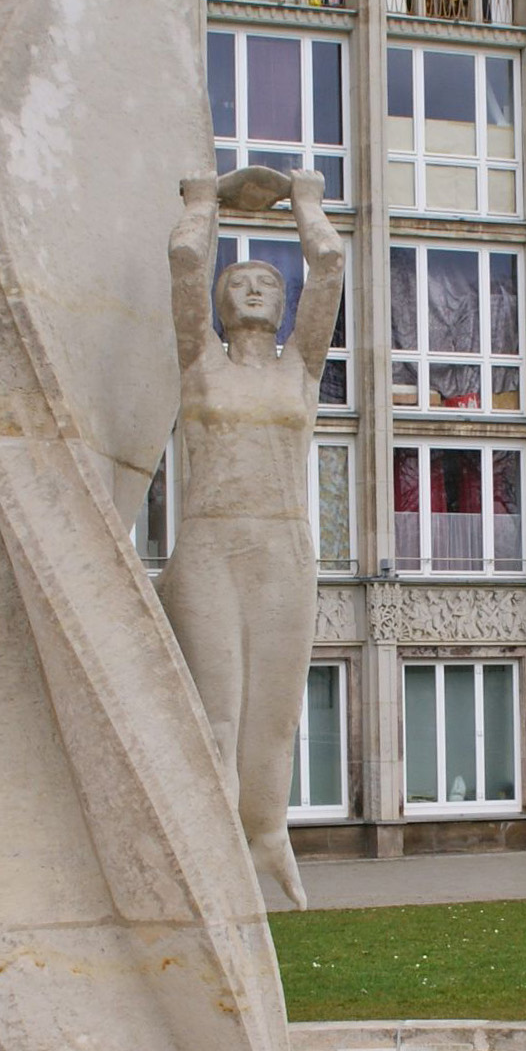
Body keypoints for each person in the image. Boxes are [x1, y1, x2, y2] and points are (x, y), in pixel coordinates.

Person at [159, 166, 343, 911]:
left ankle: (266, 829)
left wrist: (305, 203)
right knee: (217, 714)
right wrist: (203, 203)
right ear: (218, 302)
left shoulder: (302, 366)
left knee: (273, 715)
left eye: (268, 281)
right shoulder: (197, 360)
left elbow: (328, 264)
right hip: (210, 548)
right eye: (239, 282)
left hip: (283, 552)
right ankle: (208, 857)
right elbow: (182, 262)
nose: (256, 289)